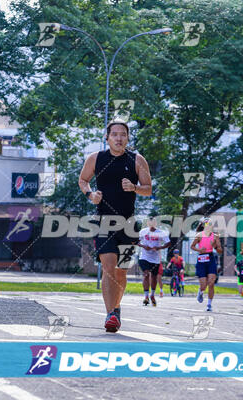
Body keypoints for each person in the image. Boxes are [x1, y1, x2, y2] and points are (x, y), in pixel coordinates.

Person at [79, 119, 152, 332]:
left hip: (128, 224)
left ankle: (116, 308)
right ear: (107, 137)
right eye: (115, 134)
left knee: (121, 272)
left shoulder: (137, 160)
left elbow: (148, 188)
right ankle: (110, 314)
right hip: (104, 221)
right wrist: (90, 194)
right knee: (109, 268)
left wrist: (135, 187)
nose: (119, 138)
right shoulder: (96, 158)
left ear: (128, 137)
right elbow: (83, 180)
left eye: (123, 134)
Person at [190, 218, 223, 311]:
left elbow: (220, 251)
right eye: (207, 224)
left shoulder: (215, 236)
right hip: (201, 259)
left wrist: (215, 246)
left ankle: (209, 305)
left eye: (210, 224)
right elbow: (192, 246)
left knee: (211, 282)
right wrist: (199, 250)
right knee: (204, 285)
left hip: (210, 258)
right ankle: (200, 292)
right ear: (203, 225)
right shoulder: (199, 235)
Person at [138, 216, 170, 306]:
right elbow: (136, 241)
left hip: (155, 259)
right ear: (148, 223)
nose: (151, 225)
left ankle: (152, 295)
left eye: (153, 223)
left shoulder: (161, 233)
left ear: (156, 224)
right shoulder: (143, 231)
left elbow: (168, 243)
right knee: (146, 274)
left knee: (154, 277)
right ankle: (146, 296)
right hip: (144, 257)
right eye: (150, 223)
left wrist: (159, 247)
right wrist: (144, 246)